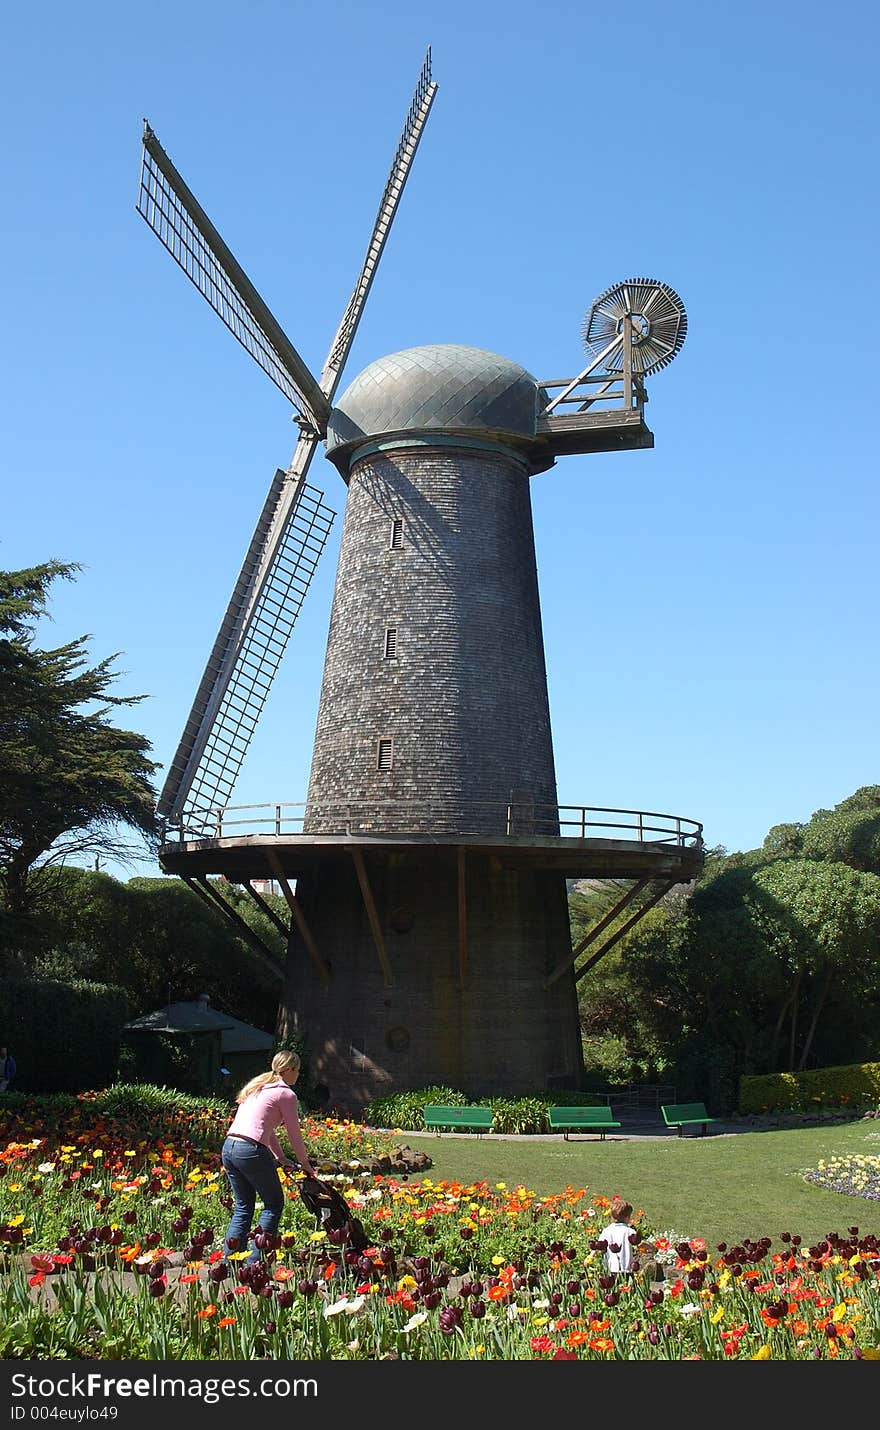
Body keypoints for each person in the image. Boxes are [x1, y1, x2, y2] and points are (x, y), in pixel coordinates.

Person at [221, 1050, 317, 1263]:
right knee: (274, 1204)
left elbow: (268, 1131)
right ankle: (255, 1263)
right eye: (298, 1071)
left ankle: (231, 1262)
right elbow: (294, 1134)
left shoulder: (258, 1087)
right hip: (251, 1150)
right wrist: (305, 1164)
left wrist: (281, 1158)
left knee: (243, 1205)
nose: (298, 1075)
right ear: (289, 1070)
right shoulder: (286, 1094)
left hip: (229, 1147)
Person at [597, 1196, 637, 1274]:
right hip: (626, 1269)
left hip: (610, 1268)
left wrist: (590, 1257)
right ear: (627, 1218)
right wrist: (651, 1247)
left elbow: (598, 1246)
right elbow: (639, 1244)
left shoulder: (606, 1231)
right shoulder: (630, 1232)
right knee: (625, 1286)